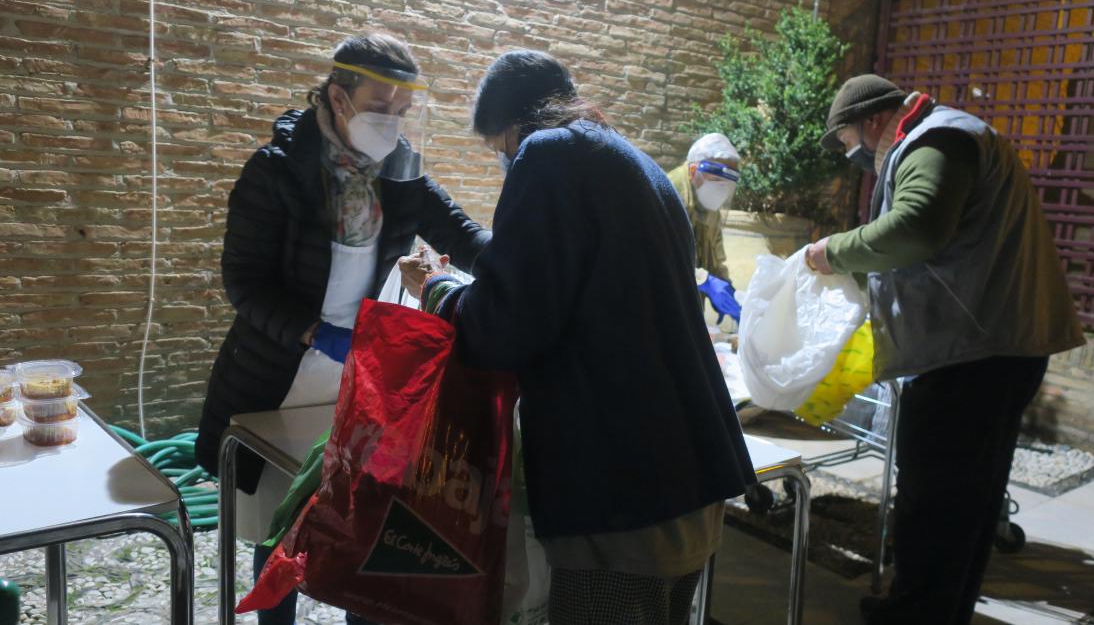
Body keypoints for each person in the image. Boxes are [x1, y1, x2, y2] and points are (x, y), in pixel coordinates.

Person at [401, 50, 756, 625]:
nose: (504, 164)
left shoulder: (545, 156)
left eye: (499, 150)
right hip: (685, 473)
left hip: (623, 489)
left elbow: (505, 328)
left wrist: (438, 289)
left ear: (515, 125)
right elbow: (549, 274)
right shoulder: (629, 161)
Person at [194, 33, 489, 625]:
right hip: (276, 373)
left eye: (402, 113)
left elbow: (461, 233)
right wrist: (314, 332)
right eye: (381, 107)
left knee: (357, 512)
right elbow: (243, 284)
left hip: (356, 377)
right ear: (339, 95)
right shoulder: (278, 172)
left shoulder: (400, 175)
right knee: (276, 522)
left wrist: (521, 265)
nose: (392, 124)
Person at [809, 74, 1086, 624]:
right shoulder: (951, 134)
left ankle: (915, 615)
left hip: (970, 355)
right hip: (995, 346)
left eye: (846, 144)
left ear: (870, 122)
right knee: (969, 500)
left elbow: (917, 228)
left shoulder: (936, 140)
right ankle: (939, 609)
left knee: (933, 500)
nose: (852, 158)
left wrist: (831, 252)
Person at [665, 134, 743, 324]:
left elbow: (715, 252)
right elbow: (662, 258)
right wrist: (705, 281)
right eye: (716, 182)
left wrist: (725, 285)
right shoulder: (669, 194)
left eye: (725, 187)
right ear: (693, 171)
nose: (720, 192)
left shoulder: (708, 205)